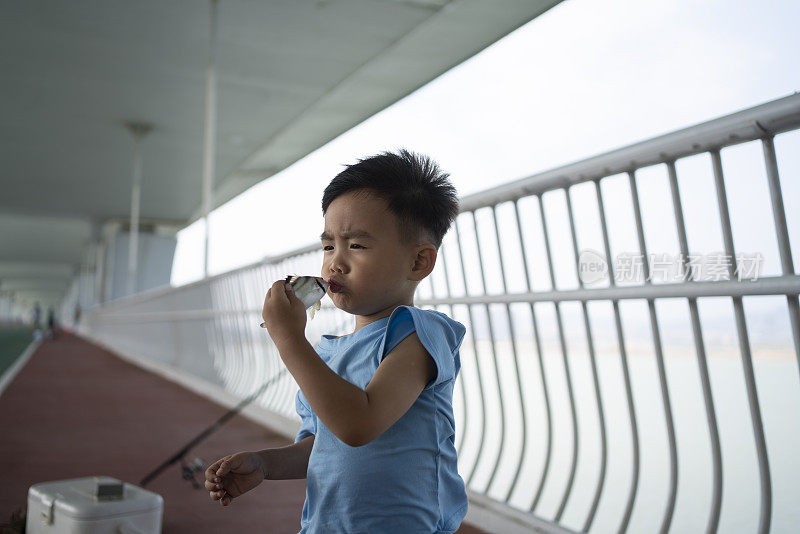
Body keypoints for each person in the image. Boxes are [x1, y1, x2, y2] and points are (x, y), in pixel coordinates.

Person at [205, 149, 468, 533]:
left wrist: (289, 339)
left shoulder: (421, 335)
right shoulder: (328, 356)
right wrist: (264, 463)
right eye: (329, 246)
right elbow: (326, 445)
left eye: (357, 246)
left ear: (418, 262)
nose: (335, 263)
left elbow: (358, 425)